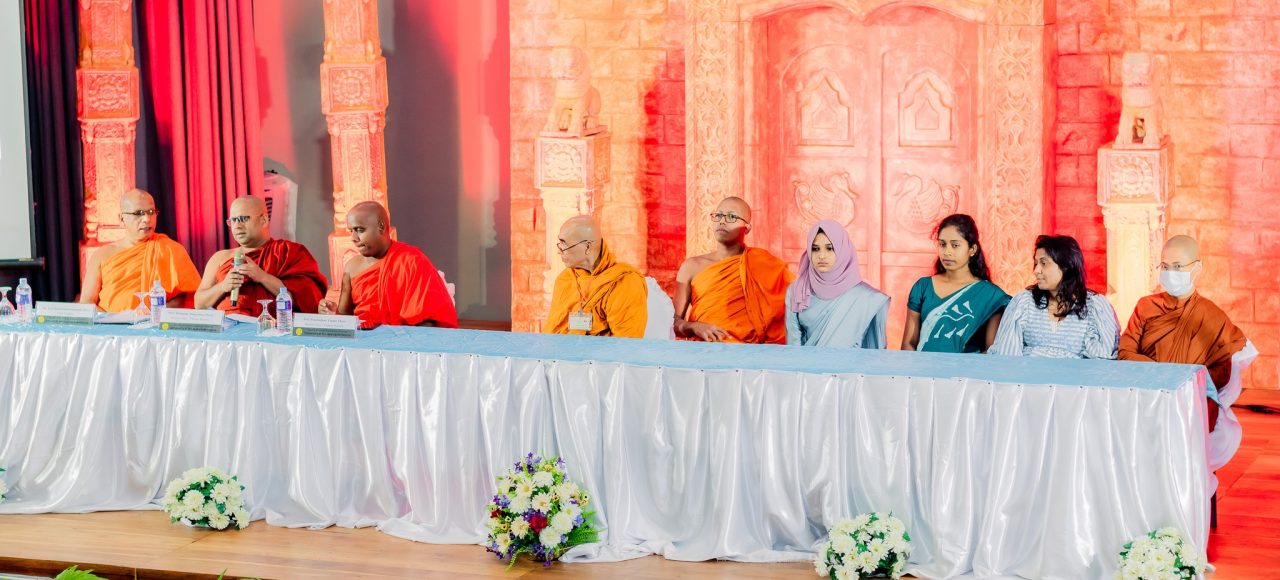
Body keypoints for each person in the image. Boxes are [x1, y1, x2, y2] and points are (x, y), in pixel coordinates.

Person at [1119, 235, 1247, 429]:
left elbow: (1221, 372)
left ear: (1197, 268)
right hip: (1143, 392)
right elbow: (1124, 352)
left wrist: (1184, 383)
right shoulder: (1146, 306)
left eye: (1178, 267)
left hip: (1188, 400)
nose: (1170, 273)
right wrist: (1161, 374)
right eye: (1165, 266)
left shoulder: (1212, 315)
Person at [318, 201, 458, 329]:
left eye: (360, 230)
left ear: (381, 226)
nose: (353, 238)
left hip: (402, 341)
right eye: (351, 231)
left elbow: (430, 321)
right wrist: (333, 313)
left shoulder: (412, 261)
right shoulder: (351, 267)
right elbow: (345, 318)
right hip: (363, 340)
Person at [673, 197, 793, 344]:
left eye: (731, 216)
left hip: (750, 353)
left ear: (747, 228)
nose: (722, 221)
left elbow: (790, 313)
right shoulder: (691, 267)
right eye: (718, 215)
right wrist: (694, 326)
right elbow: (674, 323)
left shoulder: (764, 265)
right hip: (705, 350)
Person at [990, 235, 1120, 358]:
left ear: (1066, 266)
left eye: (1044, 263)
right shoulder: (1024, 302)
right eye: (1036, 263)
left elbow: (1102, 361)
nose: (1036, 271)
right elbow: (1007, 356)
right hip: (1029, 374)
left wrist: (1031, 352)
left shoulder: (1095, 307)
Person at [194, 196, 327, 316]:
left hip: (271, 328)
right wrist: (223, 286)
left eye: (243, 219)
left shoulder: (288, 252)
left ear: (263, 220)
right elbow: (199, 303)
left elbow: (306, 300)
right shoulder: (219, 258)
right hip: (227, 329)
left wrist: (263, 277)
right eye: (233, 220)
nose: (237, 226)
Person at [901, 214, 1010, 353]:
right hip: (923, 366)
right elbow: (908, 344)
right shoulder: (923, 287)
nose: (947, 252)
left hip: (968, 367)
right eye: (942, 244)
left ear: (972, 249)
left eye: (955, 245)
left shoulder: (990, 295)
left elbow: (991, 352)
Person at [79, 189, 201, 312]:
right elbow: (87, 303)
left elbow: (185, 296)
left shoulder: (170, 249)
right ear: (122, 219)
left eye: (151, 212)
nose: (147, 219)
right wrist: (115, 320)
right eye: (138, 213)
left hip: (156, 322)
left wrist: (153, 314)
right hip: (110, 323)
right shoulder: (101, 255)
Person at [785, 219, 889, 348]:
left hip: (851, 361)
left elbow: (873, 349)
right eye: (815, 249)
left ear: (843, 250)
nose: (821, 255)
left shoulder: (867, 297)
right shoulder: (797, 291)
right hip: (804, 361)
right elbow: (793, 345)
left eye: (829, 248)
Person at [542, 215, 647, 338]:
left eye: (564, 244)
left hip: (599, 351)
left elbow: (626, 343)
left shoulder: (624, 283)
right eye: (559, 244)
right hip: (561, 350)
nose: (559, 251)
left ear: (587, 247)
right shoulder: (565, 279)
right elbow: (552, 331)